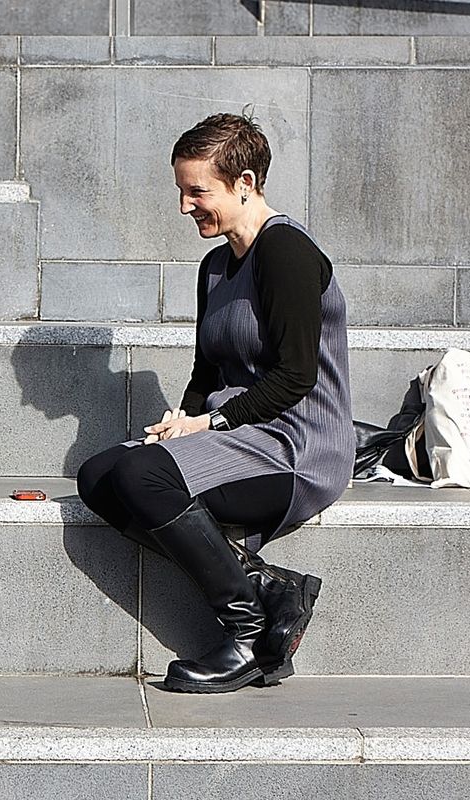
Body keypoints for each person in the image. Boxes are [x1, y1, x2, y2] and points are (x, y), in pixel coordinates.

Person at [76, 112, 354, 694]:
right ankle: (266, 587)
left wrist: (213, 421)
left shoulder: (287, 253)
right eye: (181, 190)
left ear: (245, 182)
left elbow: (296, 376)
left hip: (296, 443)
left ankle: (248, 634)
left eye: (197, 191)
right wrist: (185, 421)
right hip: (238, 432)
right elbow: (207, 371)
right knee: (100, 475)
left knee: (142, 477)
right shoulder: (214, 266)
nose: (184, 206)